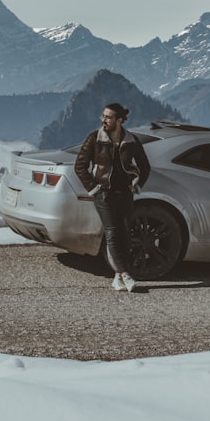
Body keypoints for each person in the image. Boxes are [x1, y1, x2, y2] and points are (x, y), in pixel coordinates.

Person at [73, 103, 151, 292]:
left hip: (124, 193)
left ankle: (117, 278)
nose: (103, 120)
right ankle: (125, 274)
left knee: (125, 233)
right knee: (112, 232)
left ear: (119, 120)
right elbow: (80, 166)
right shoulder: (95, 138)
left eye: (108, 117)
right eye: (103, 116)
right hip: (104, 194)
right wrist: (94, 188)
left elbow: (145, 166)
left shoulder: (131, 141)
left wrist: (137, 183)